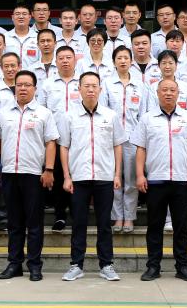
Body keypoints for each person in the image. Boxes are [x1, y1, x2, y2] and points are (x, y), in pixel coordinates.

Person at [0, 70, 58, 282]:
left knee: (34, 223)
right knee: (14, 223)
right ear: (14, 88)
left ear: (35, 89)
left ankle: (35, 265)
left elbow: (51, 142)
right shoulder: (4, 113)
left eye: (27, 85)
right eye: (19, 85)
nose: (22, 88)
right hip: (10, 173)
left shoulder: (44, 113)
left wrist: (49, 169)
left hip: (34, 174)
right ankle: (14, 264)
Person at [59, 72, 125, 282]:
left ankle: (106, 264)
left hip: (104, 176)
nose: (90, 89)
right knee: (78, 222)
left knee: (104, 223)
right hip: (79, 177)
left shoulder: (110, 116)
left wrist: (117, 174)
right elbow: (64, 147)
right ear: (79, 89)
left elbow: (118, 145)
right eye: (86, 86)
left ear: (100, 89)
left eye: (94, 86)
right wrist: (66, 176)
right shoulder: (69, 116)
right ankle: (76, 265)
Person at [134, 78, 187, 283]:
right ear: (157, 93)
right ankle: (153, 266)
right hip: (155, 180)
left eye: (172, 90)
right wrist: (140, 175)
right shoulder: (147, 118)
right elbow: (141, 148)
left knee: (181, 226)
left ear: (178, 93)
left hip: (181, 180)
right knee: (154, 226)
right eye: (164, 90)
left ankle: (182, 267)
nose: (168, 93)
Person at [101, 47, 147, 233]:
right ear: (114, 62)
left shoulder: (140, 85)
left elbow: (144, 114)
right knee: (114, 179)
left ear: (131, 61)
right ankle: (117, 217)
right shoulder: (106, 84)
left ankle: (129, 217)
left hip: (133, 138)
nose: (122, 61)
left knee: (130, 180)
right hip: (111, 138)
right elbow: (103, 111)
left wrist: (141, 138)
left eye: (126, 58)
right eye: (119, 58)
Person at [39, 46, 81, 232]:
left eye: (68, 57)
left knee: (77, 176)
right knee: (57, 176)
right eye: (61, 58)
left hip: (79, 138)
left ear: (75, 60)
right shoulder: (48, 84)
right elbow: (41, 110)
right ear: (55, 62)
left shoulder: (82, 82)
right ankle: (60, 216)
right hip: (55, 139)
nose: (65, 61)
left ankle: (77, 213)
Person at [6, 4, 40, 68]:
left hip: (33, 74)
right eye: (17, 14)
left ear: (29, 17)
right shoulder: (5, 37)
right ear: (12, 17)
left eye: (24, 14)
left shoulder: (38, 37)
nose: (21, 17)